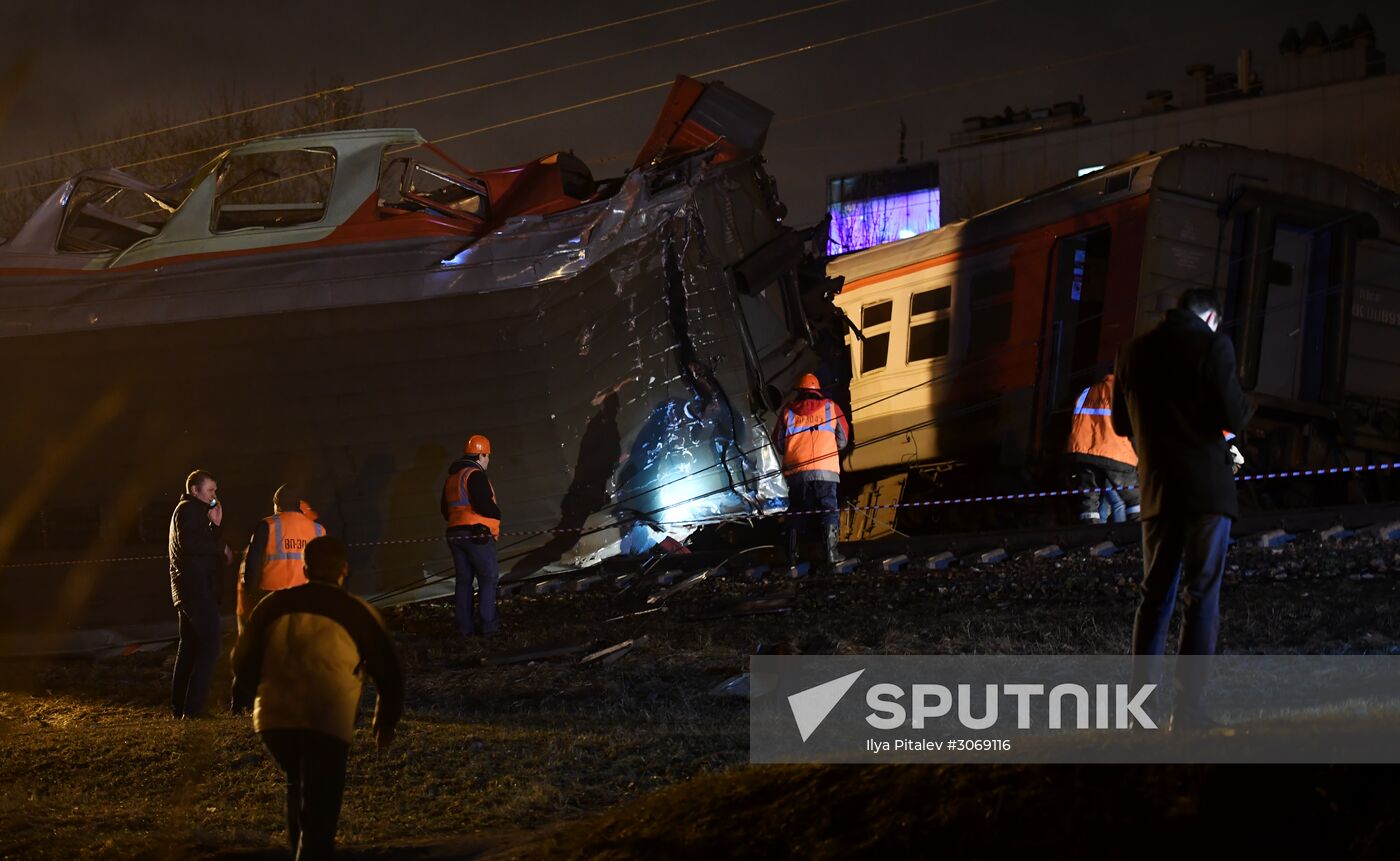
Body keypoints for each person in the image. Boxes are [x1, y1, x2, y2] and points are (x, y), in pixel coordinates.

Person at [1112, 288, 1251, 729]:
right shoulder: (1214, 345)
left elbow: (1119, 423)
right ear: (1211, 317)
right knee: (1201, 595)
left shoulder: (1132, 352)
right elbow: (1236, 414)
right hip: (1207, 493)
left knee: (1154, 598)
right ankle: (1187, 713)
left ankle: (1140, 716)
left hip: (1157, 491)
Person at [231, 536, 403, 861]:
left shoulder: (272, 606)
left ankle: (299, 849)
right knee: (321, 803)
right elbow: (388, 668)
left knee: (298, 784)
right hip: (327, 716)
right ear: (344, 570)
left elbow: (242, 660)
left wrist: (256, 693)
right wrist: (386, 719)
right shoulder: (356, 611)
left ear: (305, 567)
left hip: (273, 719)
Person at [231, 484, 326, 713]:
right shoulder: (318, 530)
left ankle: (244, 705)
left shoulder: (268, 525)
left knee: (256, 654)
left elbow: (253, 565)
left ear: (277, 505)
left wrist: (250, 594)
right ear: (298, 505)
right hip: (305, 601)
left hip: (270, 598)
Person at [168, 469, 232, 719]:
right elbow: (192, 545)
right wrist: (221, 545)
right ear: (195, 490)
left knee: (190, 646)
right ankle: (194, 709)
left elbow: (194, 543)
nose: (214, 495)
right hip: (196, 588)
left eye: (215, 491)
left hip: (188, 588)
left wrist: (215, 526)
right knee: (211, 644)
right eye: (210, 491)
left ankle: (180, 707)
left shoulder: (190, 511)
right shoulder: (189, 510)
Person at [772, 372, 849, 573]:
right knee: (828, 508)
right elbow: (843, 440)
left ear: (799, 392)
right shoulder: (831, 407)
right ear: (817, 391)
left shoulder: (788, 411)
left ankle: (791, 557)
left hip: (797, 473)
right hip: (826, 471)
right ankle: (831, 555)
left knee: (797, 511)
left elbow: (779, 443)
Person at [441, 435, 501, 636]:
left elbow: (444, 510)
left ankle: (464, 628)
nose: (488, 460)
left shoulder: (453, 478)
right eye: (487, 456)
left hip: (455, 533)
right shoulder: (475, 474)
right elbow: (483, 504)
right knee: (488, 578)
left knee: (464, 581)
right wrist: (496, 514)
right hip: (477, 534)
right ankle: (489, 627)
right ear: (481, 455)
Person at [1064, 373, 1141, 524]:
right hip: (1115, 451)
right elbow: (1131, 428)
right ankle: (1136, 533)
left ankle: (1090, 533)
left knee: (1089, 497)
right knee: (1134, 498)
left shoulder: (1086, 392)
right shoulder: (1122, 393)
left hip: (1083, 451)